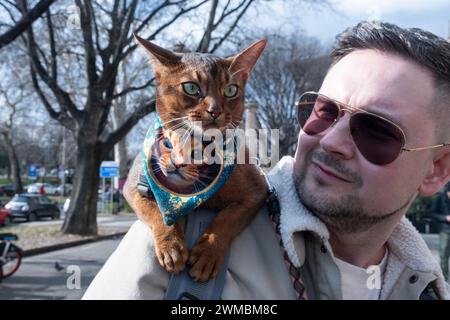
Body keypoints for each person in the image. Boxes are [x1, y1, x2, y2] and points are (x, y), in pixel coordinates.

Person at [83, 21, 450, 300]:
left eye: (377, 130)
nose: (332, 140)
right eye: (323, 110)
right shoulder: (175, 231)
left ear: (437, 170)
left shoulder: (425, 287)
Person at [431, 182, 450, 280]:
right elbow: (432, 214)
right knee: (444, 256)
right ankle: (444, 280)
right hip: (445, 230)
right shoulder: (440, 198)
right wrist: (445, 218)